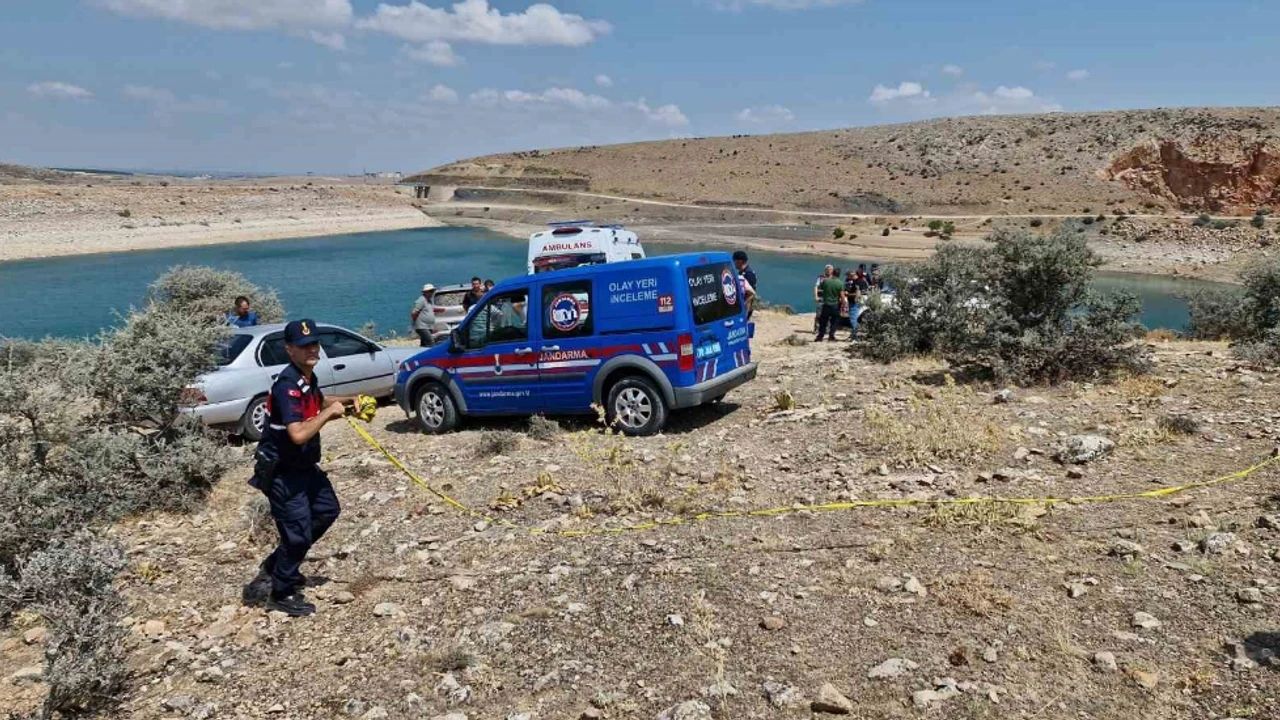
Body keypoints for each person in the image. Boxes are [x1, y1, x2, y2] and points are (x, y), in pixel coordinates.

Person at [246, 319, 359, 617]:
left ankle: (277, 564)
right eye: (303, 345)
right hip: (283, 473)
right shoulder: (286, 386)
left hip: (306, 468)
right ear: (289, 350)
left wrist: (347, 402)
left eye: (314, 343)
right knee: (297, 536)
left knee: (327, 510)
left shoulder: (306, 378)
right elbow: (297, 434)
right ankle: (281, 591)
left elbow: (320, 402)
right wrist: (331, 415)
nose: (311, 349)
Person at [815, 269, 846, 342]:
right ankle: (831, 336)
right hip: (835, 305)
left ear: (832, 273)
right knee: (834, 321)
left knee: (823, 321)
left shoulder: (826, 281)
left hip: (826, 304)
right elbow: (842, 296)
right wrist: (843, 304)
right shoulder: (840, 283)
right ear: (839, 275)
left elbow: (820, 288)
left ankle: (820, 336)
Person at [732, 250, 759, 319]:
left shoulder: (748, 274)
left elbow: (750, 295)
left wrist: (744, 310)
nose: (733, 263)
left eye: (734, 260)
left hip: (745, 309)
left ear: (739, 261)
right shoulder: (742, 273)